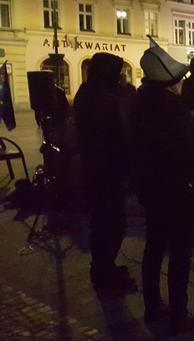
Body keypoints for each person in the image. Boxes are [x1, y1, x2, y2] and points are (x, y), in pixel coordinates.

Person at [135, 42, 194, 333]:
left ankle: (152, 307)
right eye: (179, 80)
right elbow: (188, 150)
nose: (181, 84)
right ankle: (179, 316)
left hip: (151, 190)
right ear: (170, 83)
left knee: (153, 248)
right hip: (176, 192)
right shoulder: (174, 108)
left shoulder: (141, 102)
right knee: (180, 254)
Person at [74, 52, 135, 293]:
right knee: (110, 224)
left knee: (103, 224)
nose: (119, 78)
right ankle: (104, 273)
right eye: (115, 73)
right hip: (105, 172)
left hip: (99, 171)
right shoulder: (101, 100)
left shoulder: (87, 93)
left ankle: (104, 268)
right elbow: (116, 136)